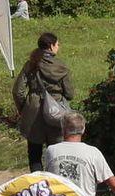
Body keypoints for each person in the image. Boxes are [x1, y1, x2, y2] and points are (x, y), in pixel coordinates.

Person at [12, 30, 72, 171]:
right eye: (57, 44)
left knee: (34, 154)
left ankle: (37, 182)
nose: (58, 47)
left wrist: (24, 108)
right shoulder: (61, 67)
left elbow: (17, 91)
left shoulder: (31, 64)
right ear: (51, 46)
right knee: (57, 154)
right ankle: (55, 181)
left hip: (33, 111)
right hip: (56, 110)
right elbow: (70, 93)